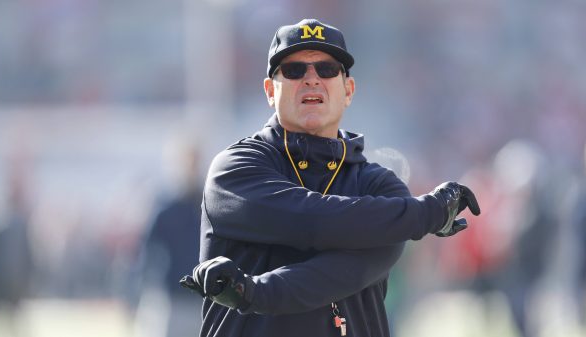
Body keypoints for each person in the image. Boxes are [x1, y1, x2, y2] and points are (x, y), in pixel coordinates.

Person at [180, 18, 481, 337]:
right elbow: (309, 220)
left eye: (326, 69)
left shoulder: (378, 184)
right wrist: (428, 214)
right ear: (270, 90)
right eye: (294, 70)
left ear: (348, 89)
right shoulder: (236, 167)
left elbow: (345, 272)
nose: (311, 79)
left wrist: (253, 293)